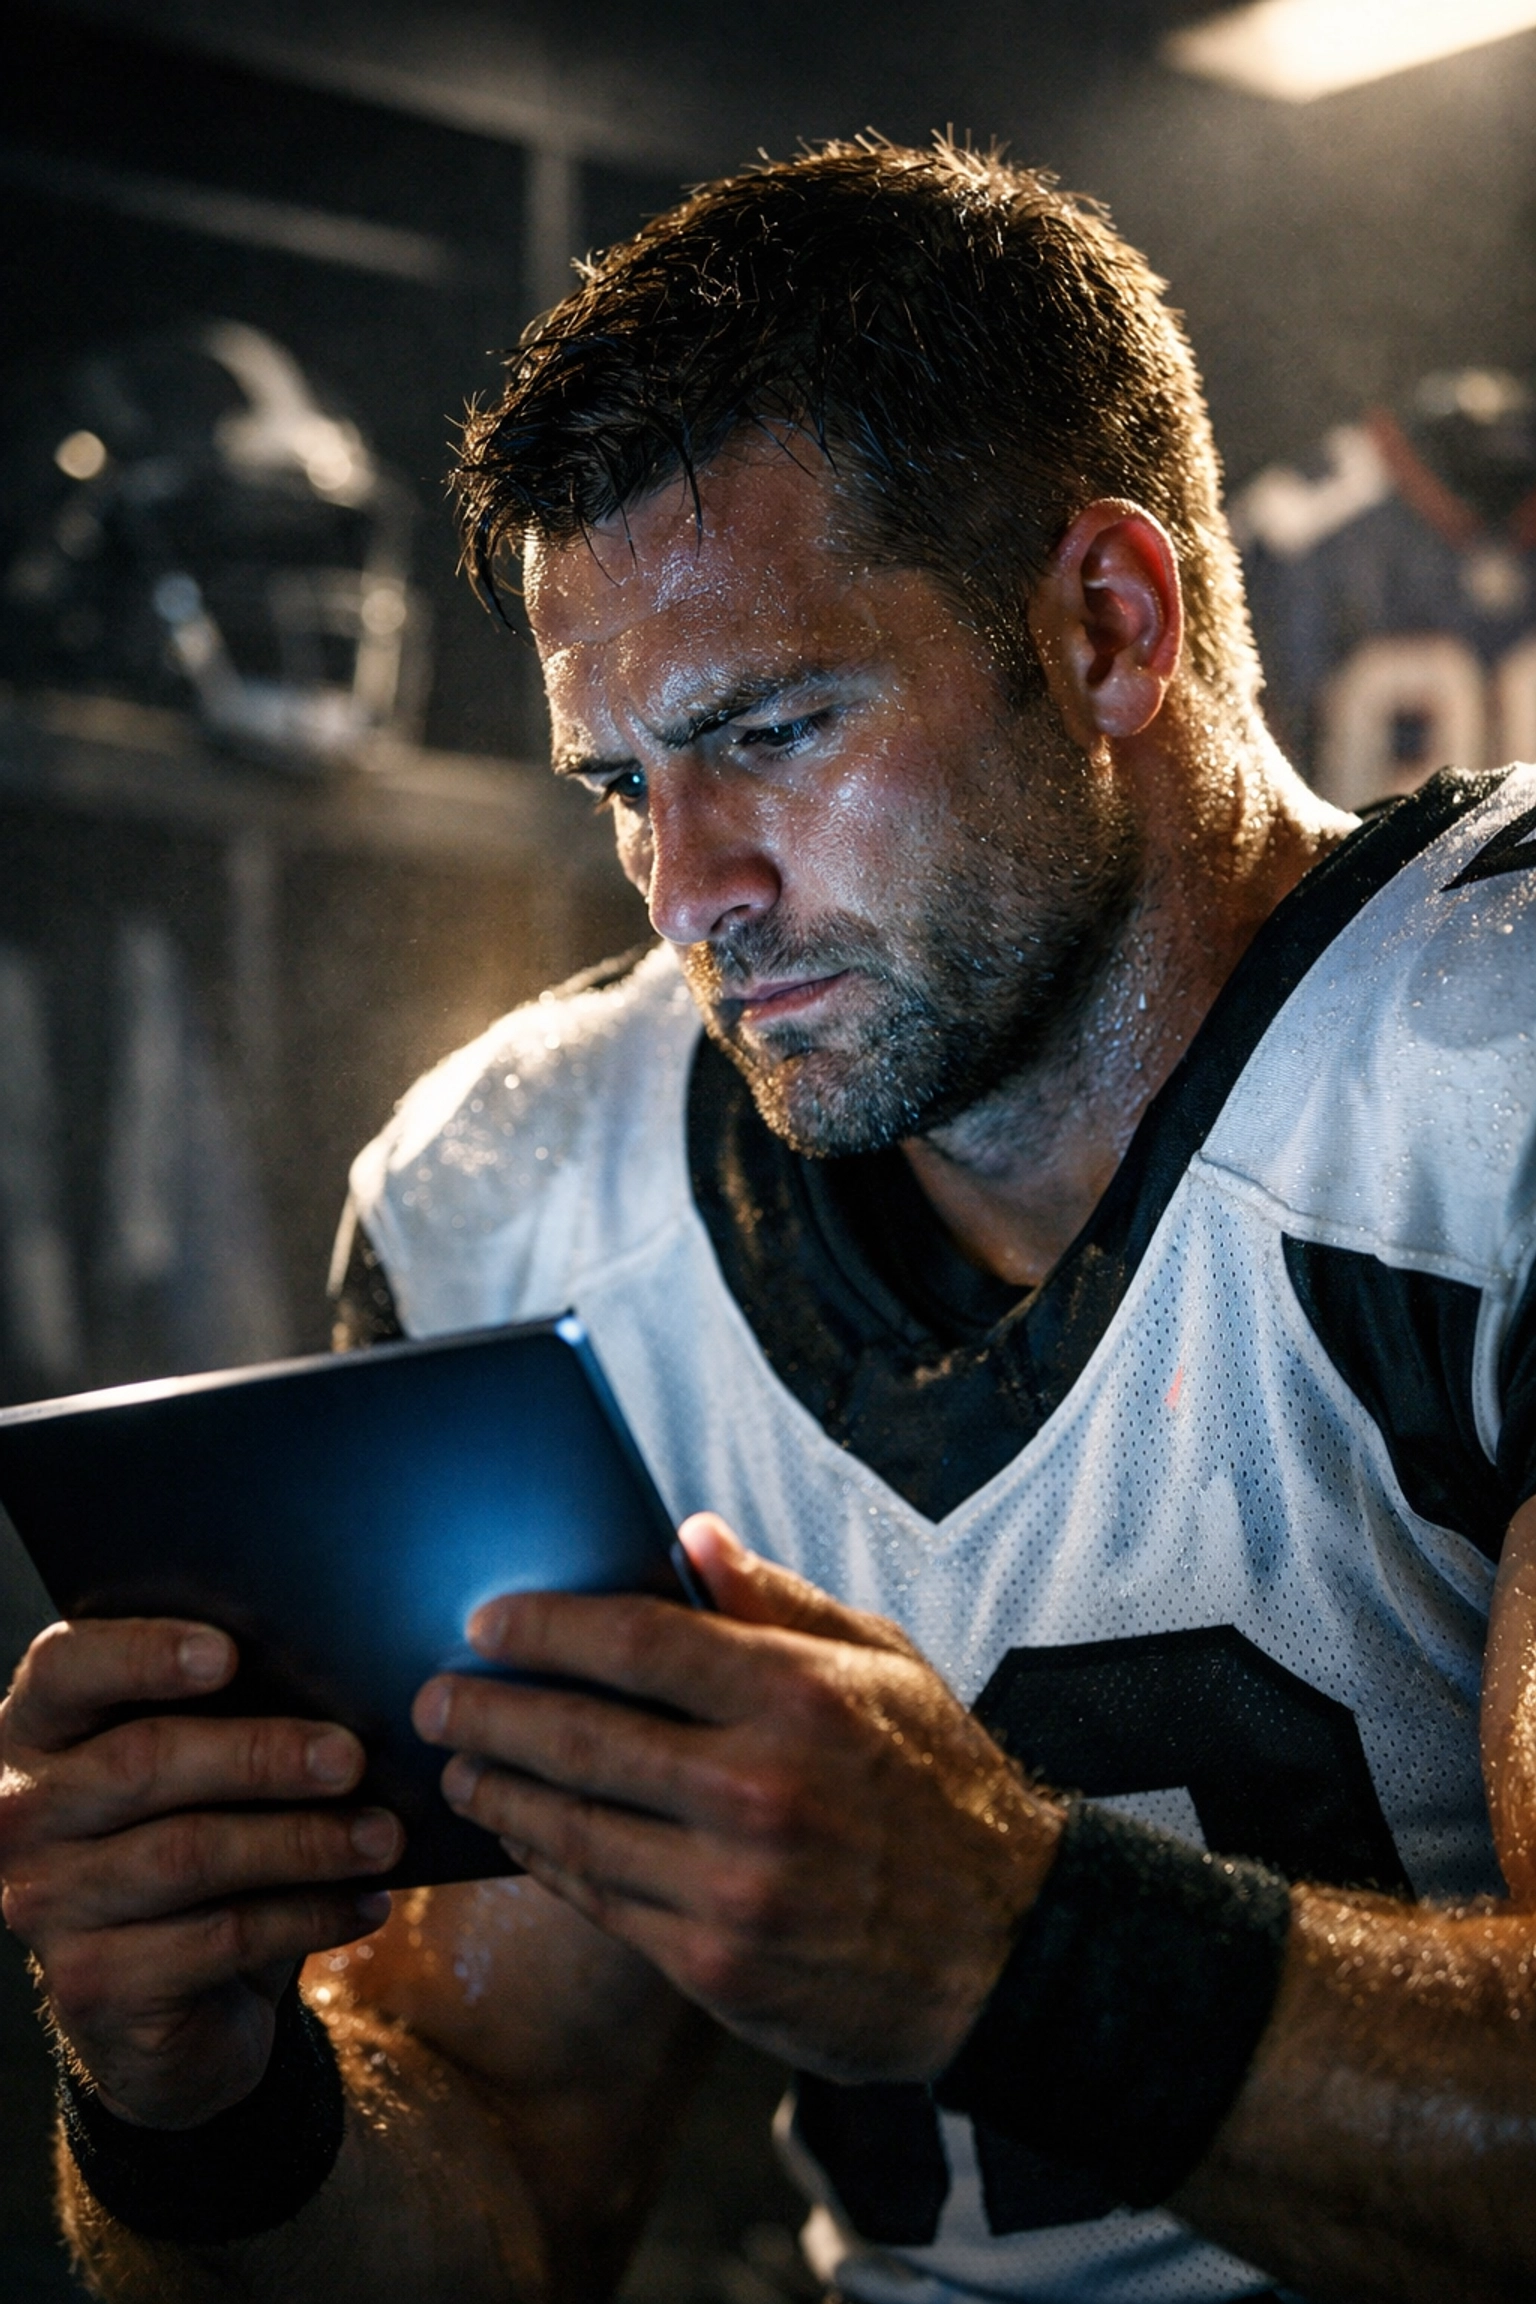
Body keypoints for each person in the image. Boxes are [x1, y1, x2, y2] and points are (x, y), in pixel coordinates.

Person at [3, 139, 1536, 2304]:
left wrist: (1017, 1946)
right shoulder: (524, 1193)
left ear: (1108, 627)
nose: (687, 887)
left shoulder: (1501, 1062)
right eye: (624, 783)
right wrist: (196, 2102)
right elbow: (500, 2200)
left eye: (770, 729)